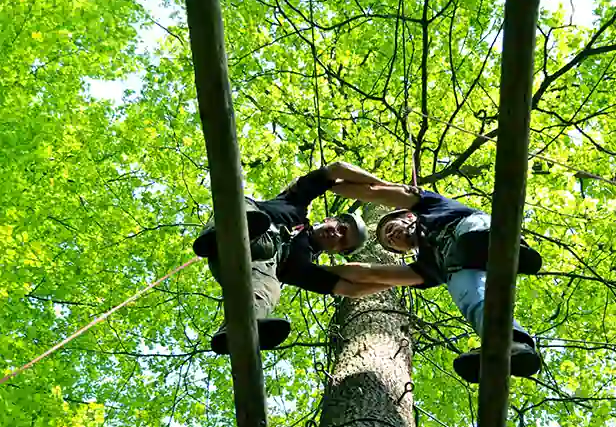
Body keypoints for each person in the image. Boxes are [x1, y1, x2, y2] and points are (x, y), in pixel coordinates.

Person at [328, 180, 543, 383]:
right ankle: (510, 344)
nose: (391, 236)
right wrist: (318, 272)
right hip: (464, 264)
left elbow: (374, 191)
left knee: (470, 232)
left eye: (391, 228)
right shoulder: (425, 268)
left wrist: (329, 182)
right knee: (469, 295)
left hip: (472, 230)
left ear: (408, 216)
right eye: (389, 242)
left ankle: (508, 248)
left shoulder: (430, 207)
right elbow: (370, 274)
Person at [194, 162, 393, 355]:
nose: (336, 236)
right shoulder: (295, 205)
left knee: (270, 287)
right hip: (236, 223)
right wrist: (389, 189)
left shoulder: (303, 266)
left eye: (342, 242)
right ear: (329, 220)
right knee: (246, 207)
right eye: (341, 229)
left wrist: (404, 279)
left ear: (336, 253)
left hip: (246, 265)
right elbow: (336, 169)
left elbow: (354, 288)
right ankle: (227, 232)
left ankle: (238, 326)